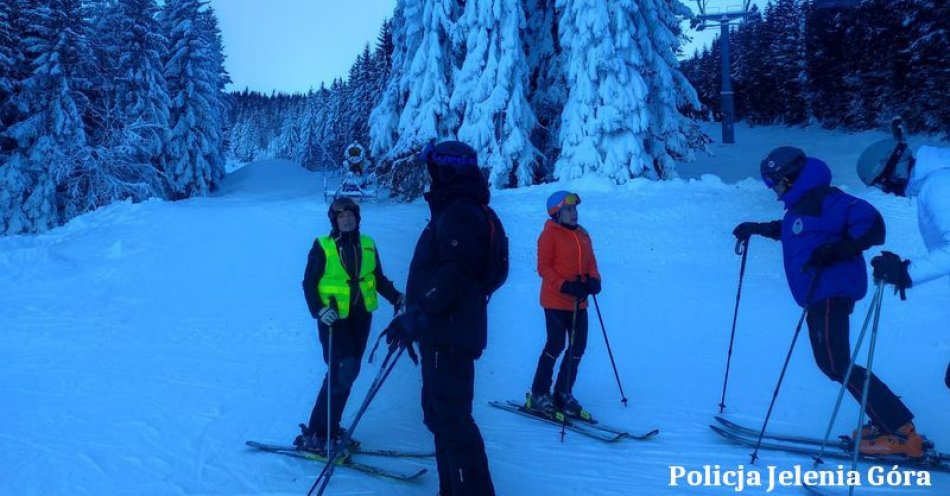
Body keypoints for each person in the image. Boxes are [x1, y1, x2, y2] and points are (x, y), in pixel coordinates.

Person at [732, 146, 928, 458]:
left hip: (830, 293)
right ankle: (889, 424)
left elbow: (873, 225)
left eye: (775, 182)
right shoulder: (802, 208)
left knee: (835, 364)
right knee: (835, 364)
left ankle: (902, 433)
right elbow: (798, 231)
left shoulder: (831, 200)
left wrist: (841, 248)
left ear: (793, 177)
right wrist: (758, 228)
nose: (774, 189)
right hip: (818, 295)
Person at [382, 140, 497, 495]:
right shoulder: (456, 209)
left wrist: (416, 315)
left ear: (448, 170)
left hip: (448, 335)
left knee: (450, 419)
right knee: (439, 415)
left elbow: (456, 275)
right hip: (443, 332)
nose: (429, 176)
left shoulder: (460, 212)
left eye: (433, 168)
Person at [296, 197, 404, 454]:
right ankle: (318, 434)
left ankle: (329, 429)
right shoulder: (322, 246)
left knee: (349, 371)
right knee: (341, 369)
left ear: (357, 218)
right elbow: (309, 283)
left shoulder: (367, 244)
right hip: (333, 318)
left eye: (351, 215)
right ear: (334, 220)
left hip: (360, 317)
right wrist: (319, 310)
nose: (346, 219)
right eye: (341, 216)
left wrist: (396, 297)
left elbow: (376, 278)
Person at [859, 144, 950, 390]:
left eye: (882, 182)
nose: (886, 191)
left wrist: (906, 273)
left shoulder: (939, 186)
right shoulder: (936, 182)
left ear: (895, 167)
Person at [526, 191, 601, 418]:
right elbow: (544, 268)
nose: (573, 213)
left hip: (580, 303)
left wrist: (594, 280)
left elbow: (591, 263)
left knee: (578, 347)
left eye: (574, 209)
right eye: (568, 210)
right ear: (556, 213)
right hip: (556, 301)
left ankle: (563, 393)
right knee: (556, 345)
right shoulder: (549, 235)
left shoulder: (583, 235)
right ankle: (539, 393)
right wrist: (565, 286)